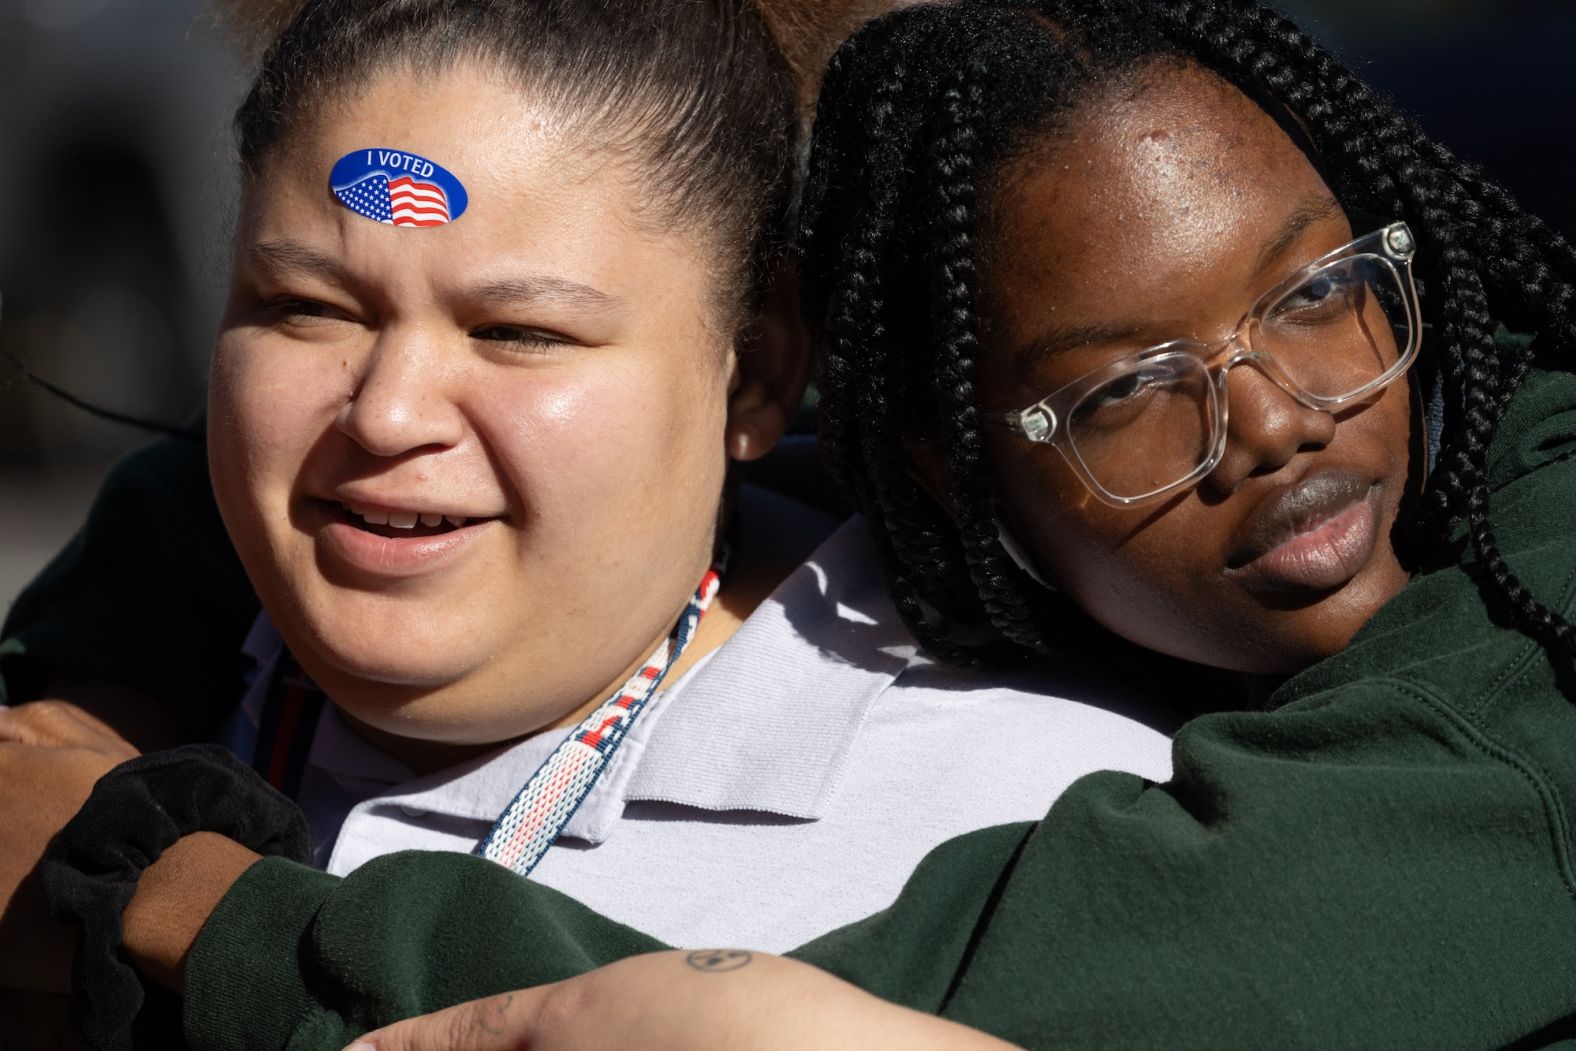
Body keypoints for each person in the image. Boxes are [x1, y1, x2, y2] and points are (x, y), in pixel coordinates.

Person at [32, 0, 1574, 1048]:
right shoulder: (159, 636)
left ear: (754, 378)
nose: (383, 412)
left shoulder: (1050, 810)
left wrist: (142, 888)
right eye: (302, 306)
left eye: (522, 334)